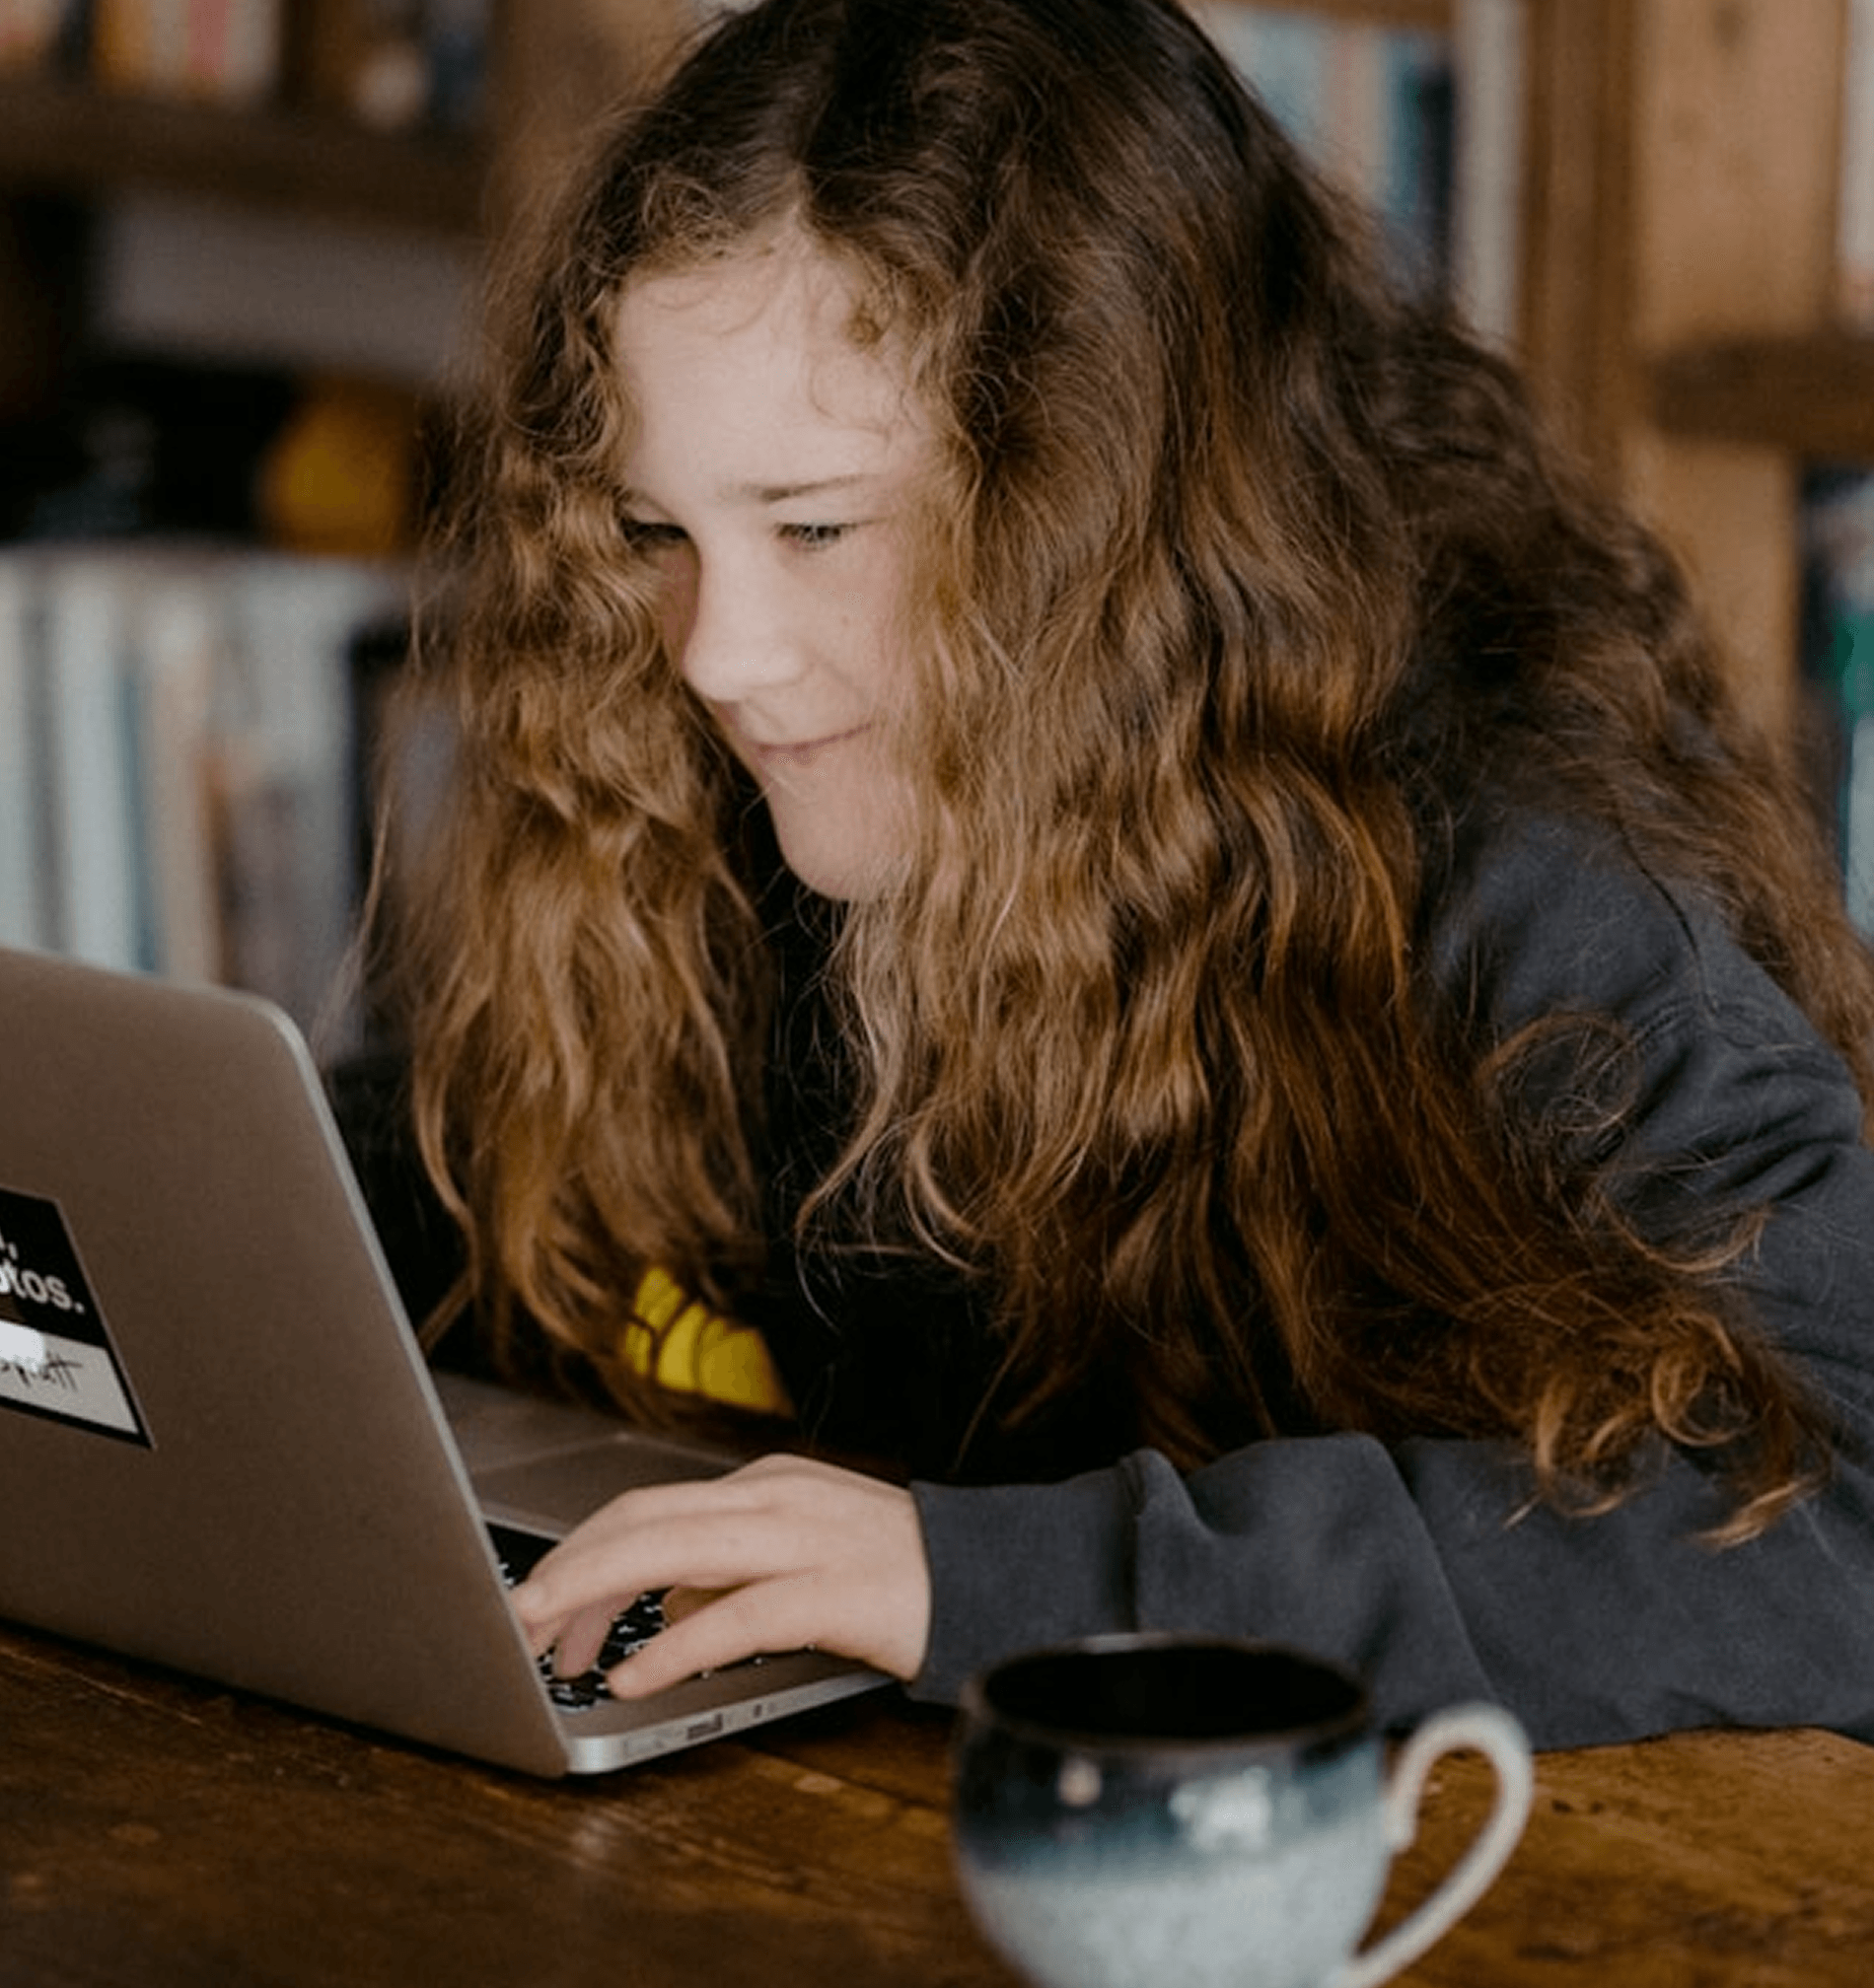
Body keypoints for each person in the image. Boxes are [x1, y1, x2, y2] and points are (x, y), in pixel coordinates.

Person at [346, 0, 1874, 1751]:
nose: (718, 654)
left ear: (1099, 514)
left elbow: (1848, 1529)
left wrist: (995, 1580)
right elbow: (492, 1197)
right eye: (658, 531)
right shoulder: (796, 774)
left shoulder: (1521, 873)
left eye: (818, 527)